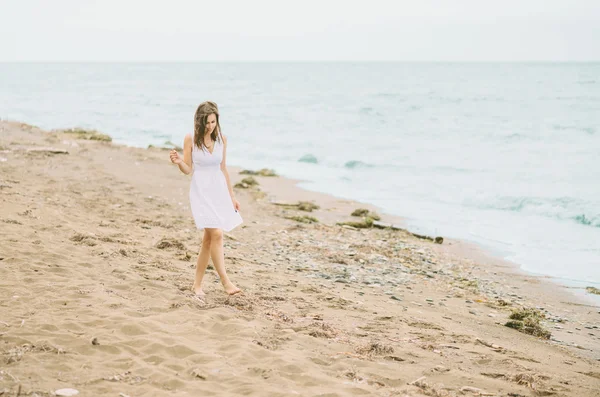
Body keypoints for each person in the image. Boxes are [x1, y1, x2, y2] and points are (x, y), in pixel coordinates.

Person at [169, 101, 243, 296]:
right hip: (201, 193)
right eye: (207, 122)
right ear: (199, 122)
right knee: (217, 233)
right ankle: (226, 282)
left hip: (218, 192)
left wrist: (232, 196)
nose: (210, 126)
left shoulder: (222, 140)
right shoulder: (191, 139)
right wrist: (178, 162)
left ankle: (197, 285)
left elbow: (223, 169)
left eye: (213, 122)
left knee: (208, 241)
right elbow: (188, 169)